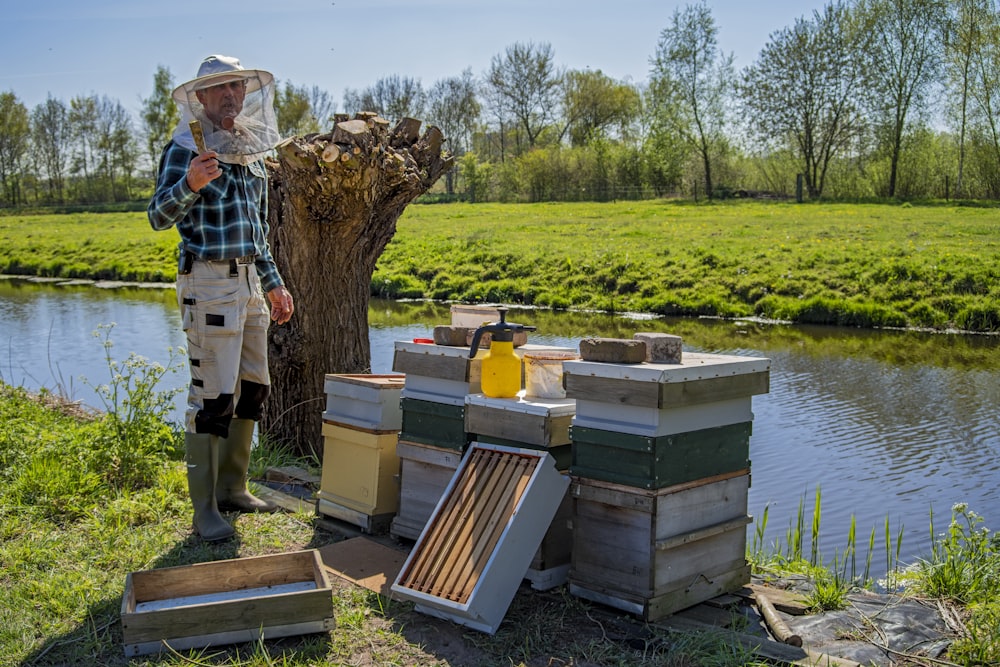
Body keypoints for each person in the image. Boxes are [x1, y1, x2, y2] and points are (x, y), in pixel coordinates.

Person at [148, 55, 293, 541]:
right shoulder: (184, 148)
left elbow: (260, 230)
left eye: (237, 85)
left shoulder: (251, 148)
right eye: (220, 88)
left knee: (253, 387)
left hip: (250, 284)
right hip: (208, 282)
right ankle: (204, 509)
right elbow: (157, 216)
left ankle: (234, 488)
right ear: (201, 98)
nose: (231, 94)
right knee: (212, 397)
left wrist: (274, 282)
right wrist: (190, 183)